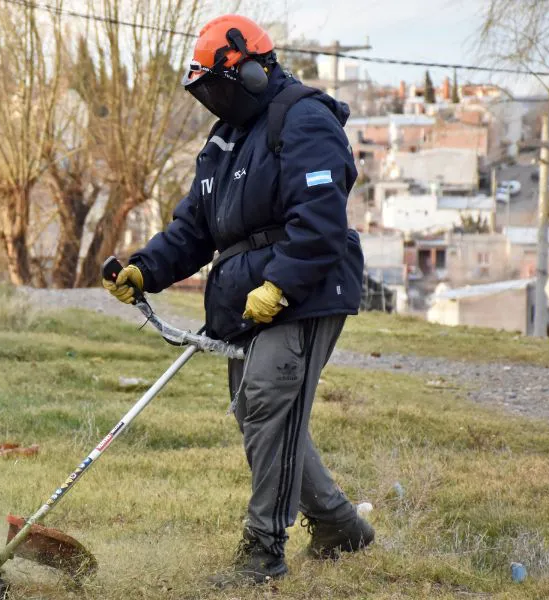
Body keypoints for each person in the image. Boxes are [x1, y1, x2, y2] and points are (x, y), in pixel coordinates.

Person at [101, 14, 373, 586]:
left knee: (273, 401)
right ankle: (340, 525)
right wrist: (144, 270)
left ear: (250, 71)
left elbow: (321, 219)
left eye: (218, 87)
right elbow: (195, 229)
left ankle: (261, 552)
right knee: (258, 415)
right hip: (246, 299)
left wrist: (282, 285)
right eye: (204, 92)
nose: (212, 101)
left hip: (306, 291)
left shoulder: (304, 120)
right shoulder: (224, 138)